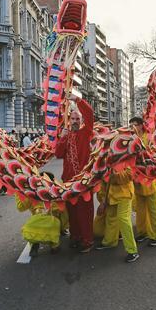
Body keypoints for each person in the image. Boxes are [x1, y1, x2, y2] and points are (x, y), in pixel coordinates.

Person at [54, 97, 95, 252]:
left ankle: (87, 241)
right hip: (69, 181)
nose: (76, 121)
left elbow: (89, 113)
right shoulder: (66, 135)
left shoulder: (86, 131)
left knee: (85, 212)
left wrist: (77, 100)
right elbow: (58, 154)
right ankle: (75, 237)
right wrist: (63, 137)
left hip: (84, 181)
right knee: (72, 212)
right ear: (69, 120)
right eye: (73, 118)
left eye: (78, 118)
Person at [129, 116, 156, 247]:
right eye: (131, 124)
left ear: (142, 125)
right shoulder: (130, 140)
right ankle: (142, 232)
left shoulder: (150, 137)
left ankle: (155, 236)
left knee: (154, 210)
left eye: (135, 124)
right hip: (138, 181)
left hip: (151, 180)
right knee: (140, 210)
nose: (133, 127)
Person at [94, 165, 139, 262]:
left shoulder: (126, 156)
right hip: (110, 196)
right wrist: (103, 200)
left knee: (123, 219)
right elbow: (103, 182)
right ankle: (110, 242)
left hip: (124, 194)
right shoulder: (103, 157)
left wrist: (115, 173)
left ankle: (132, 250)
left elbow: (130, 175)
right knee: (111, 218)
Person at [17, 172, 65, 257]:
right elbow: (62, 209)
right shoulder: (56, 192)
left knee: (36, 225)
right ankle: (54, 246)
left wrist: (19, 193)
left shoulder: (32, 194)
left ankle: (35, 245)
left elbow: (21, 208)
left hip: (34, 225)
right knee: (57, 221)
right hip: (52, 224)